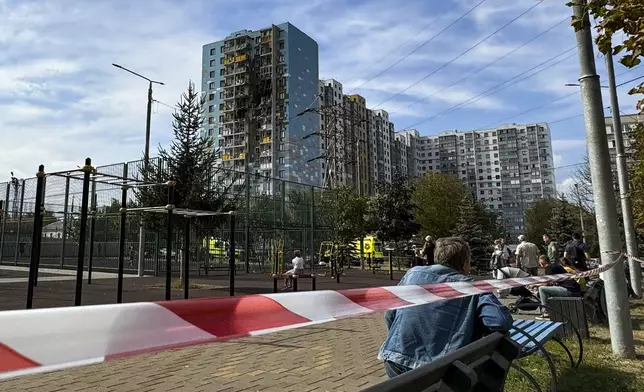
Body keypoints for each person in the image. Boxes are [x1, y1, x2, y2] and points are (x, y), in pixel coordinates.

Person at [378, 237, 513, 378]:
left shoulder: (413, 274)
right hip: (440, 371)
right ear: (465, 263)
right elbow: (500, 321)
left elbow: (389, 313)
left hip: (395, 360)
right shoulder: (472, 288)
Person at [536, 255, 581, 320]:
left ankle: (546, 312)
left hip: (568, 290)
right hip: (575, 289)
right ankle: (553, 311)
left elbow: (546, 284)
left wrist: (534, 285)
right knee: (546, 290)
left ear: (542, 262)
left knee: (542, 289)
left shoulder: (549, 268)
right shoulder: (556, 266)